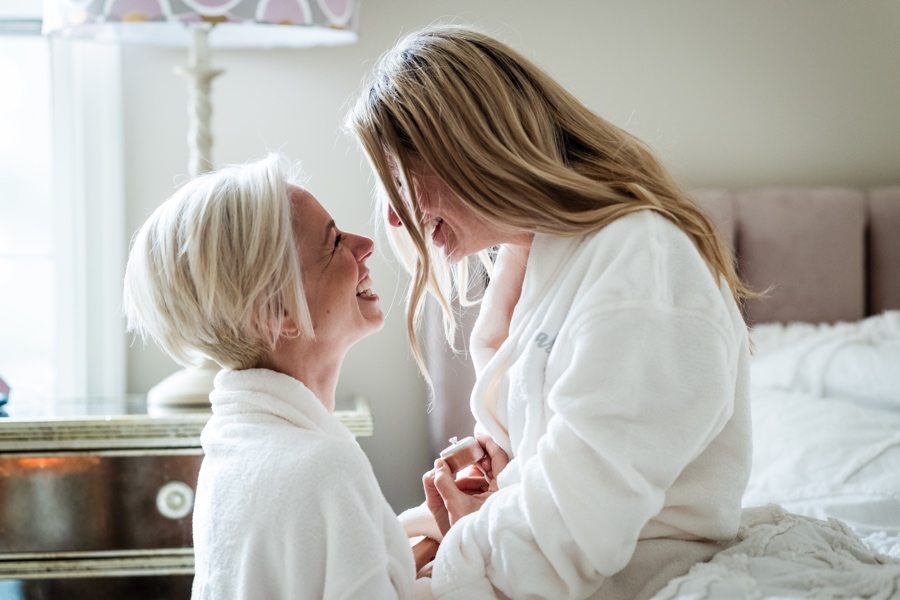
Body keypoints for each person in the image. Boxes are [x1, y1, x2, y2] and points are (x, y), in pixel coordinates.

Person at [346, 25, 754, 600]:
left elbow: (572, 530)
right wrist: (501, 465)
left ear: (468, 144)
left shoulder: (639, 264)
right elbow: (568, 455)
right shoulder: (532, 258)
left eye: (399, 174)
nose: (392, 218)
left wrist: (463, 536)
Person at [122, 155, 432, 599]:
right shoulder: (324, 469)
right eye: (334, 243)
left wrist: (435, 528)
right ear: (277, 311)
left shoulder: (234, 456)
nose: (365, 244)